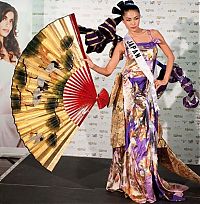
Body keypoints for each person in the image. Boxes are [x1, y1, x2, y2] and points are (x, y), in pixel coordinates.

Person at [83, 1, 195, 203]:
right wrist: (92, 66)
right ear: (123, 21)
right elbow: (108, 71)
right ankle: (132, 181)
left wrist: (163, 79)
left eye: (136, 18)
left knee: (146, 138)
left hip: (147, 92)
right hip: (129, 94)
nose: (133, 23)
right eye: (128, 20)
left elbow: (170, 56)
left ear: (140, 17)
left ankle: (145, 180)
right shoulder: (123, 43)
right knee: (133, 138)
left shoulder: (154, 34)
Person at [0, 1, 21, 147]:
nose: (8, 24)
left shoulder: (13, 51)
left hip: (16, 115)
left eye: (11, 21)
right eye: (4, 19)